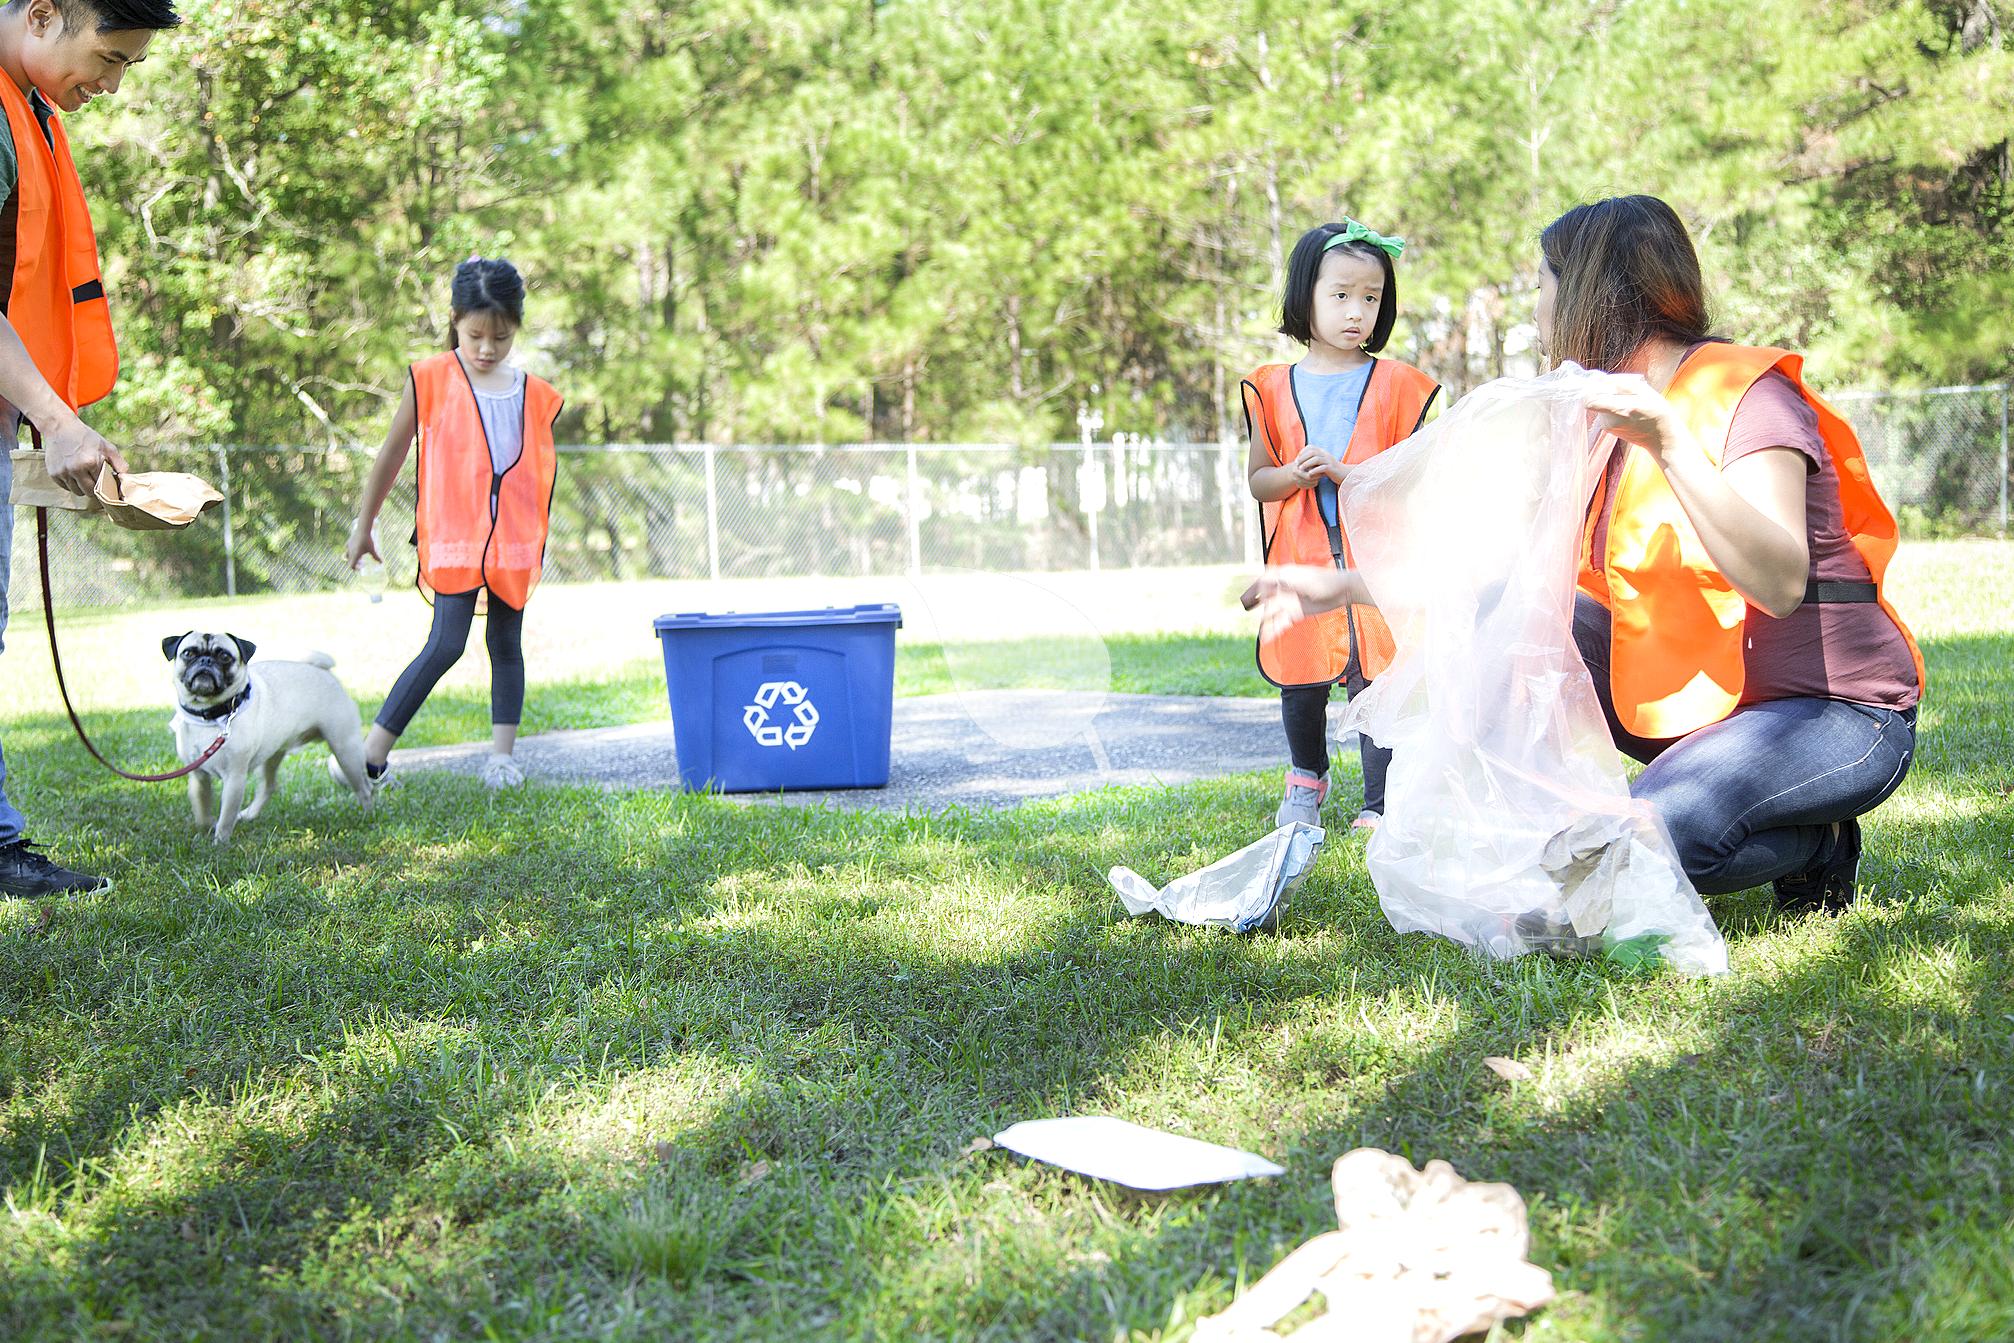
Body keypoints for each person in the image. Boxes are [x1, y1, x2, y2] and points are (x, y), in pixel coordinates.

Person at [1262, 195, 1923, 914]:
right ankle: (1584, 820)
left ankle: (1821, 842)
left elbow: (1782, 582)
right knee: (1525, 621)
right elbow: (1500, 584)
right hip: (1711, 705)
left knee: (1654, 837)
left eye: (1541, 285)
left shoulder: (1746, 395)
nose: (1537, 310)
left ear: (1584, 290)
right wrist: (1338, 587)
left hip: (1835, 713)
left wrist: (1669, 443)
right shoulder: (1593, 417)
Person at [0, 0, 180, 900]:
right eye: (107, 57)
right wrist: (57, 418)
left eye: (126, 69)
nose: (109, 86)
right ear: (44, 14)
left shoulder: (25, 108)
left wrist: (42, 417)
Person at [1242, 219, 1439, 832]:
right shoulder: (1270, 388)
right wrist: (1295, 477)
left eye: (1371, 298)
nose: (1357, 312)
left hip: (1371, 563)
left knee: (1374, 678)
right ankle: (1307, 778)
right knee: (1300, 680)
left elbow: (1414, 477)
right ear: (1306, 296)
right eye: (1341, 295)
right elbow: (1258, 479)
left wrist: (1350, 471)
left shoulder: (1402, 386)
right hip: (1300, 559)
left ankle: (1379, 803)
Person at [341, 257, 563, 791]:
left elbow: (533, 468)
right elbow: (392, 454)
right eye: (475, 335)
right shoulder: (432, 379)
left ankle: (503, 759)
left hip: (510, 543)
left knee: (506, 645)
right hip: (455, 539)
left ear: (517, 328)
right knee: (446, 644)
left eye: (501, 337)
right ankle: (367, 758)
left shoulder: (532, 392)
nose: (487, 349)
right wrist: (364, 524)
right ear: (454, 320)